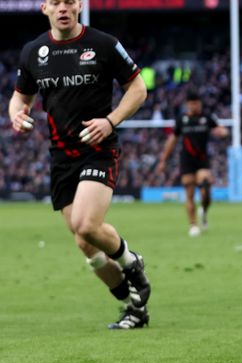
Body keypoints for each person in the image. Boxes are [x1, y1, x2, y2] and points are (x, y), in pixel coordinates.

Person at [8, 0, 152, 329]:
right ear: (44, 8)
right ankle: (134, 306)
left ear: (79, 6)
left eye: (69, 1)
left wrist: (111, 121)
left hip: (98, 148)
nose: (63, 7)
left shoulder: (103, 44)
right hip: (60, 157)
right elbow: (21, 96)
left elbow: (138, 88)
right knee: (85, 243)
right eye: (56, 2)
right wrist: (16, 113)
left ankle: (132, 263)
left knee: (87, 225)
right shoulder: (34, 52)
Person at [156, 91, 229, 237]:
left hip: (202, 160)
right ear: (187, 105)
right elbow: (172, 140)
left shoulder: (207, 117)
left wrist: (223, 132)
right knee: (189, 193)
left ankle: (204, 209)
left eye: (196, 103)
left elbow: (221, 130)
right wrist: (163, 160)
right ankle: (193, 225)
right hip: (186, 160)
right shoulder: (181, 120)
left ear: (200, 103)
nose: (194, 106)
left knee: (205, 187)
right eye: (191, 103)